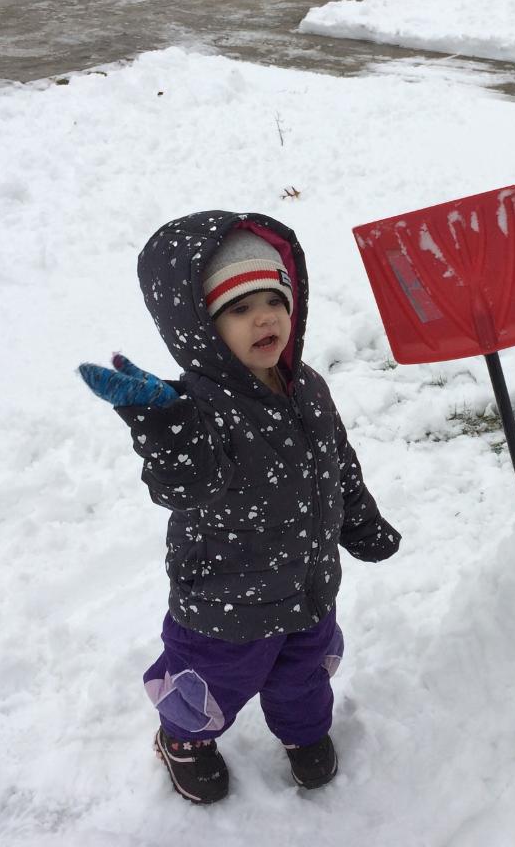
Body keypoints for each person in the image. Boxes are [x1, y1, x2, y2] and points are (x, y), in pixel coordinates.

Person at [78, 211, 401, 805]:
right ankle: (183, 739)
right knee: (212, 682)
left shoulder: (308, 385)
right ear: (201, 328)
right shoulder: (198, 410)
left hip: (307, 586)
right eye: (239, 308)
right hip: (225, 603)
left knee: (304, 674)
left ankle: (304, 733)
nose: (264, 318)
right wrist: (166, 426)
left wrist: (361, 522)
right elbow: (185, 486)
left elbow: (337, 462)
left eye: (274, 300)